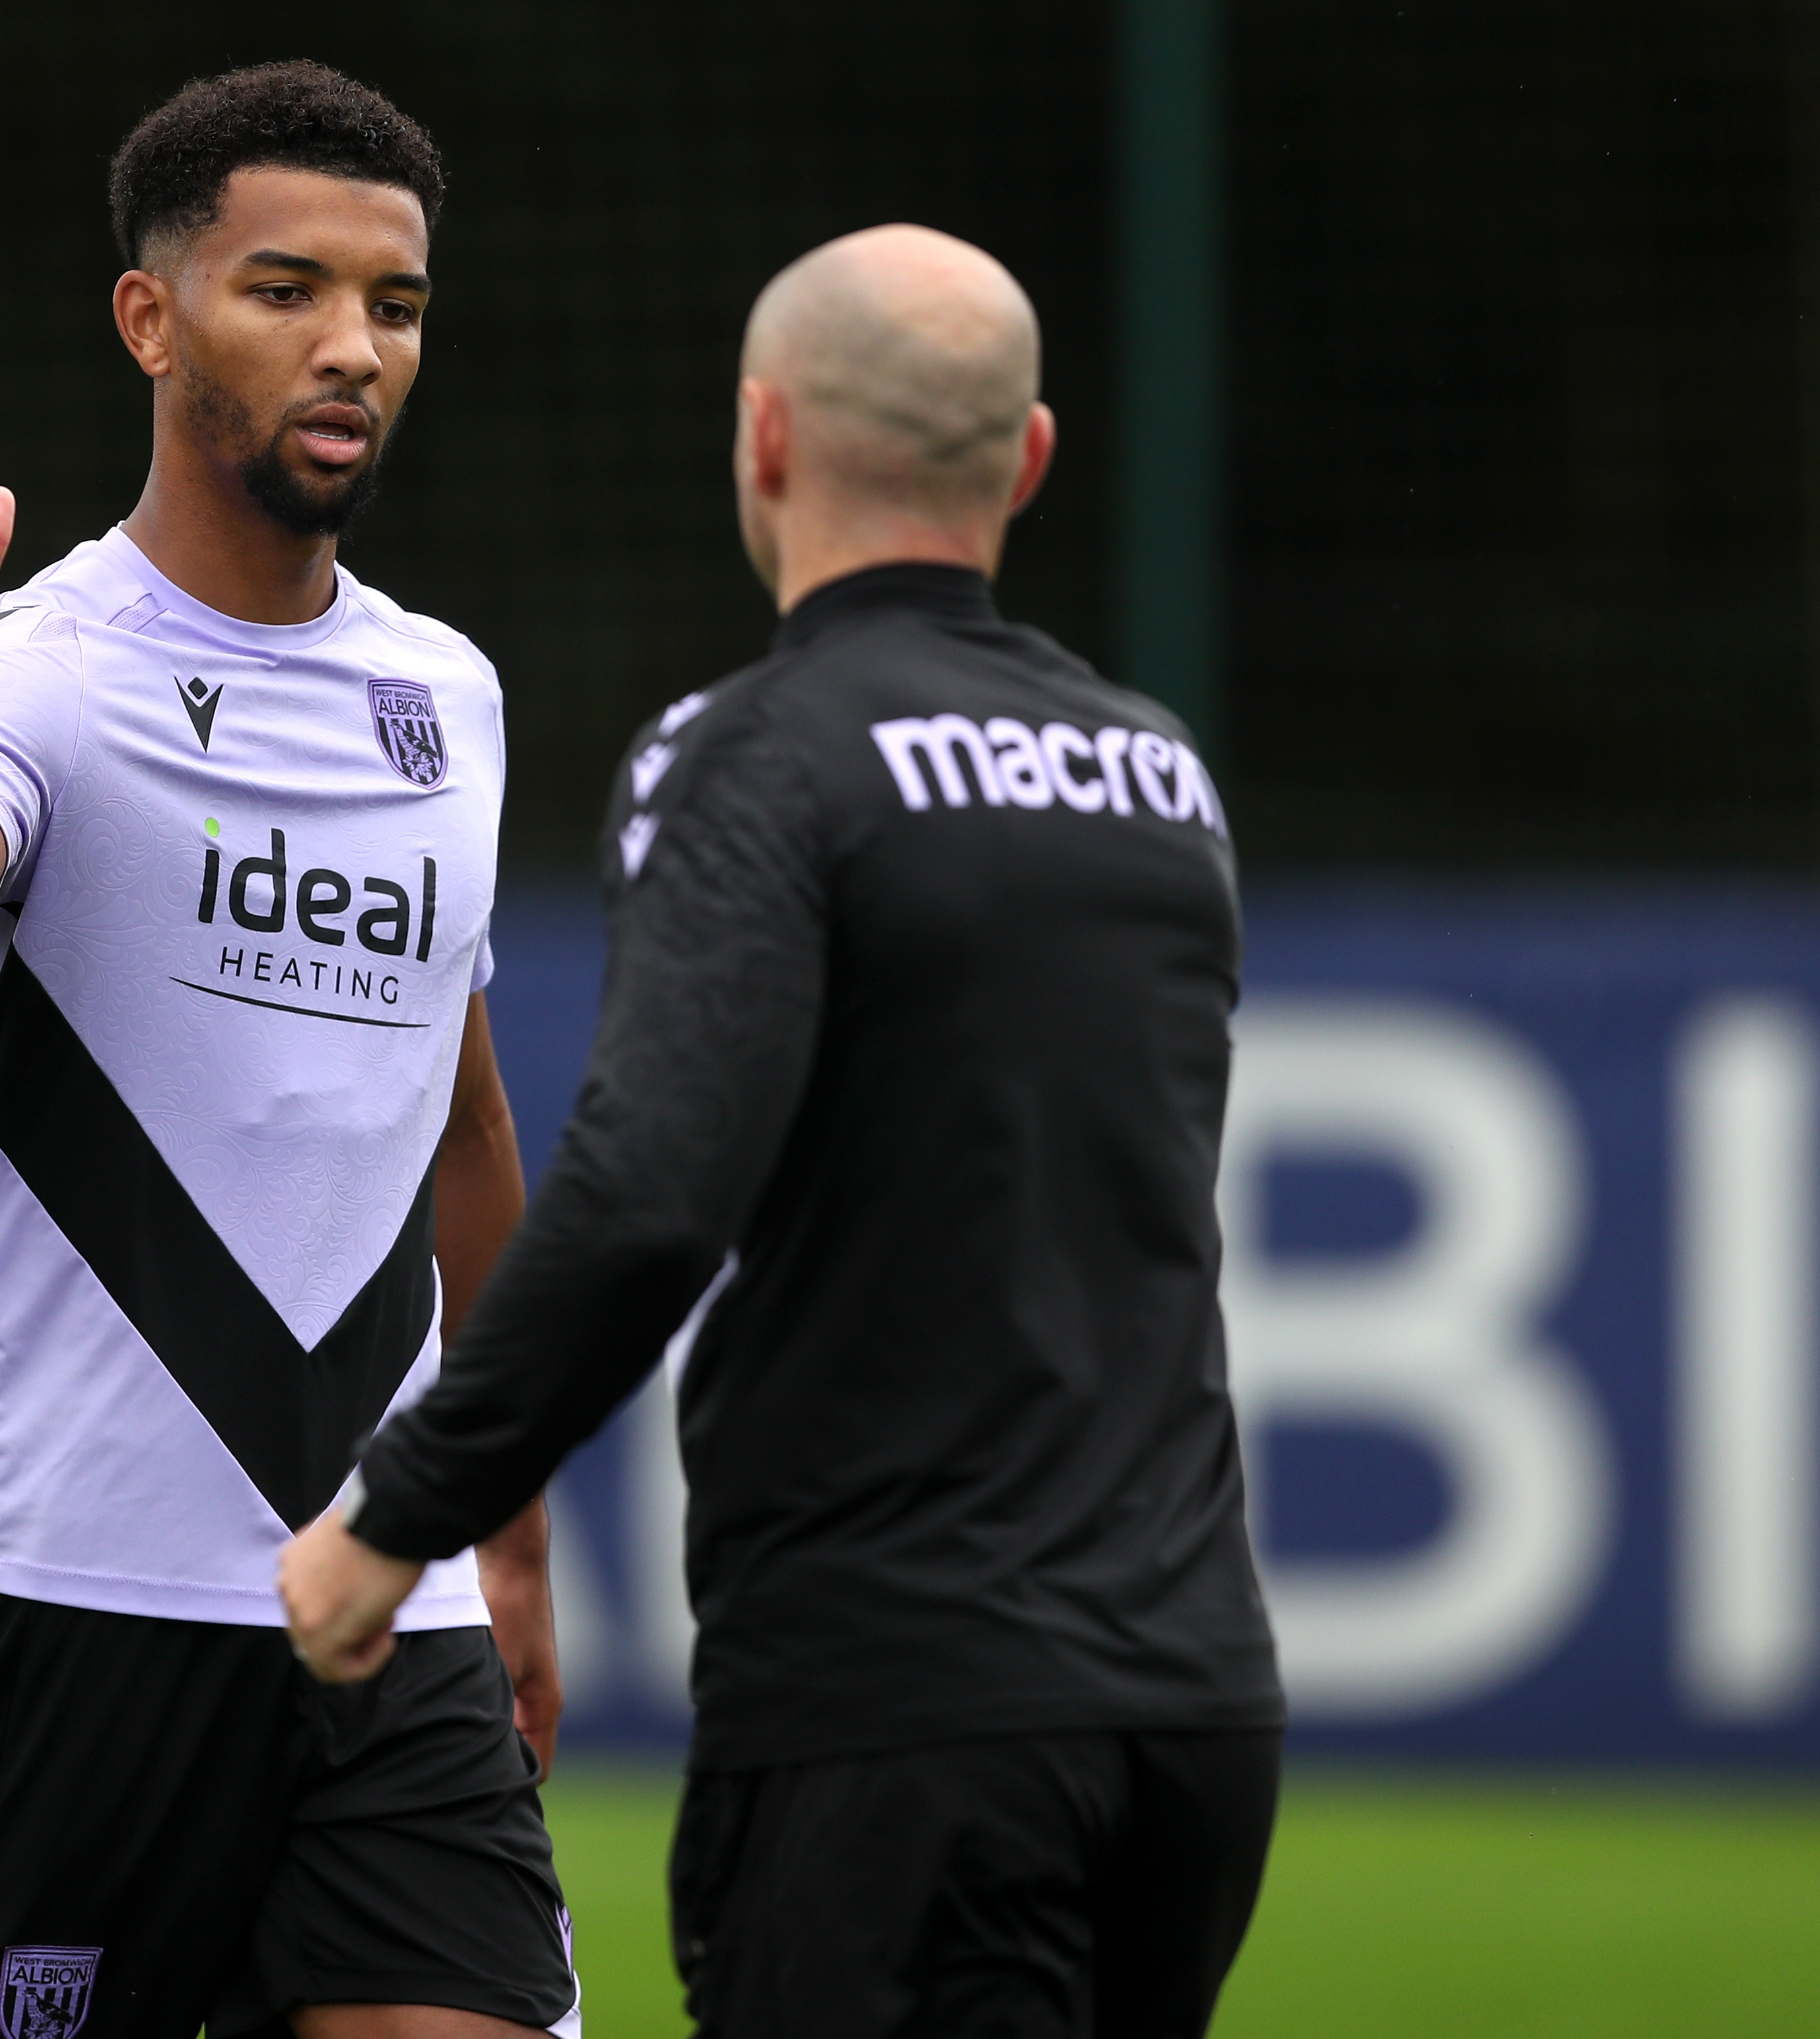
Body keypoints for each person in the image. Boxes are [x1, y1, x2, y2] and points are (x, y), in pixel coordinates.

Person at [280, 225, 1284, 2038]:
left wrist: (396, 1515)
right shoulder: (1158, 775)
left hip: (899, 1707)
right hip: (1193, 1711)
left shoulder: (753, 757)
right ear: (1029, 457)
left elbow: (655, 1190)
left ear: (761, 438)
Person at [0, 61, 575, 2039]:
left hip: (379, 1611)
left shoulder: (450, 695)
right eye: (285, 289)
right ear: (151, 318)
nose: (352, 349)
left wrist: (503, 1532)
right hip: (70, 1606)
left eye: (394, 306)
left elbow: (465, 1121)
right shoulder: (41, 669)